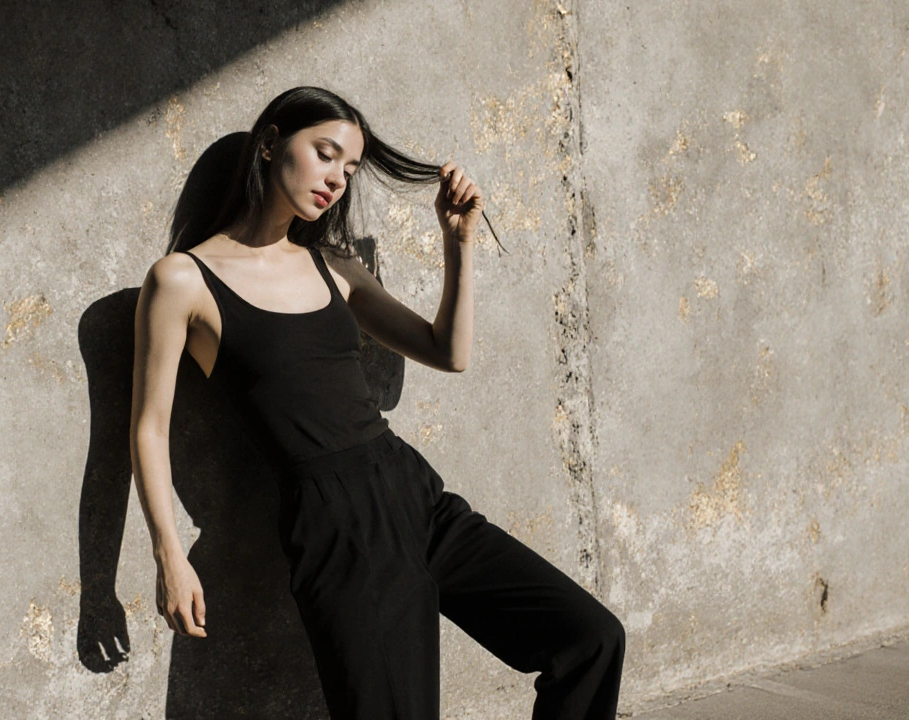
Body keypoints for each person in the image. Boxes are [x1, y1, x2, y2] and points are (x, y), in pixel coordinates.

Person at [130, 86, 625, 720]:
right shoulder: (182, 279)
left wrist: (457, 243)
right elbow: (149, 429)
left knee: (588, 638)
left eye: (350, 169)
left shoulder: (332, 268)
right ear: (270, 142)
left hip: (412, 494)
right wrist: (168, 555)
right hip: (336, 524)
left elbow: (448, 351)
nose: (336, 179)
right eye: (325, 154)